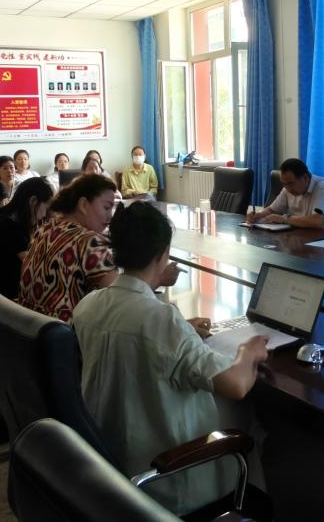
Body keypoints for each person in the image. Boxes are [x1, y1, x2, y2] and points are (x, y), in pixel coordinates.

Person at [73, 202, 269, 515]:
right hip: (168, 479)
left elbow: (134, 333)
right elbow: (236, 384)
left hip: (109, 467)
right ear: (163, 253)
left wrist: (183, 330)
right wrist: (250, 351)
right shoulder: (162, 320)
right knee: (250, 422)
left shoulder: (87, 306)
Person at [18, 174, 118, 322]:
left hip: (28, 325)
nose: (110, 217)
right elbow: (121, 297)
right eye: (107, 207)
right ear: (83, 205)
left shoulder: (45, 229)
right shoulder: (88, 241)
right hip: (64, 331)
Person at [0, 177, 53, 298]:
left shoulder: (2, 214)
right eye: (46, 207)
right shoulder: (10, 226)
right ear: (33, 201)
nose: (44, 215)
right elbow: (35, 265)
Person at [247, 158, 324, 231]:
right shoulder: (287, 188)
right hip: (300, 236)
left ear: (305, 178)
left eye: (291, 184)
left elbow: (317, 221)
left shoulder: (323, 187)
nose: (288, 189)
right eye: (284, 184)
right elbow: (272, 210)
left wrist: (283, 219)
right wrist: (258, 215)